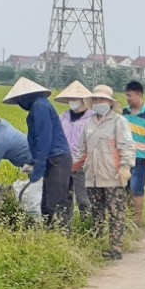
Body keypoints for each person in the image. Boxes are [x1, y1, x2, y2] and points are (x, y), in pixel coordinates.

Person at [72, 85, 137, 260]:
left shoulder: (118, 121)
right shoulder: (89, 123)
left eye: (102, 99)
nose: (98, 102)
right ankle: (98, 245)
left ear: (109, 102)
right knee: (97, 213)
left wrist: (125, 167)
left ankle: (116, 248)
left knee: (116, 214)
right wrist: (74, 167)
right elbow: (82, 151)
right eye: (95, 100)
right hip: (92, 177)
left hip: (113, 177)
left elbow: (127, 147)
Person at [2, 77, 72, 231]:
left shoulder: (40, 106)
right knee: (47, 204)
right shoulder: (39, 106)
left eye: (20, 99)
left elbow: (44, 137)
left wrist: (39, 164)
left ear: (25, 97)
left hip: (56, 158)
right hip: (52, 158)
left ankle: (62, 240)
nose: (20, 103)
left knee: (55, 204)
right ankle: (52, 238)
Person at [121, 80, 145, 226]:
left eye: (129, 96)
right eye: (126, 96)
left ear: (139, 94)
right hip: (125, 157)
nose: (128, 99)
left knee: (137, 189)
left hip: (141, 158)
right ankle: (125, 219)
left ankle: (137, 222)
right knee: (124, 188)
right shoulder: (124, 112)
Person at [55, 80, 94, 218]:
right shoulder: (62, 118)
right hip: (64, 162)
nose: (72, 101)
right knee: (65, 199)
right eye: (70, 99)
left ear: (83, 99)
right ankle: (67, 229)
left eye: (75, 98)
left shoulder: (92, 118)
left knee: (83, 199)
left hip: (83, 163)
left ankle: (89, 227)